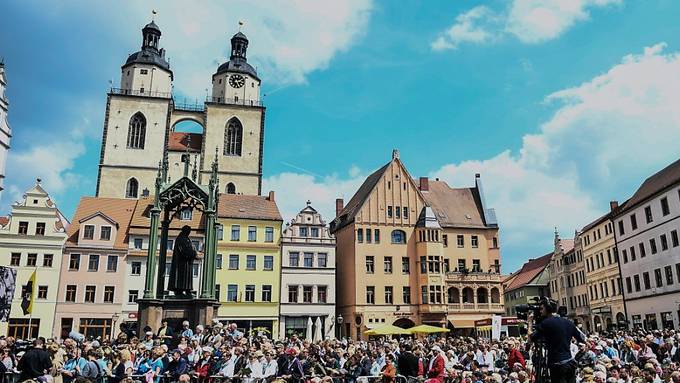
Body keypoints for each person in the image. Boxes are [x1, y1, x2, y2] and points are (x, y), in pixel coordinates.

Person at [527, 298, 586, 383]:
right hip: (570, 363)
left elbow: (530, 340)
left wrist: (530, 322)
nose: (540, 311)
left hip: (557, 365)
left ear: (548, 308)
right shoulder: (568, 322)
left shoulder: (546, 323)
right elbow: (582, 339)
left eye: (542, 308)